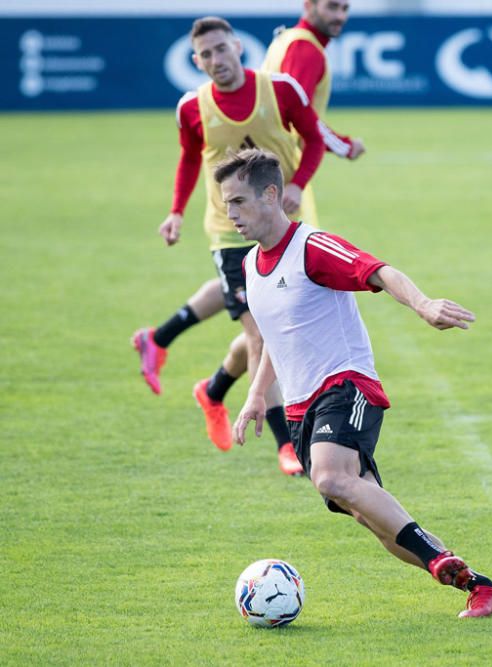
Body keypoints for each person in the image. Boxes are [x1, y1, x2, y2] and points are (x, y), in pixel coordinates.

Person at [224, 148, 492, 618]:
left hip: (345, 384)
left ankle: (441, 560)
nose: (229, 213)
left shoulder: (312, 247)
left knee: (331, 476)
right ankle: (481, 587)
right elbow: (277, 335)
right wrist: (257, 394)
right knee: (370, 516)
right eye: (226, 204)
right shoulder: (252, 266)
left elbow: (378, 270)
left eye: (238, 201)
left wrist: (422, 304)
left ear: (271, 194)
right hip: (299, 409)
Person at [133, 16, 328, 475]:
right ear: (196, 61)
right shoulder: (192, 108)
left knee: (271, 328)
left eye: (222, 49)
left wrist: (298, 183)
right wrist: (176, 212)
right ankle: (287, 444)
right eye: (206, 54)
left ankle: (213, 388)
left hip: (282, 225)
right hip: (229, 231)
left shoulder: (279, 91)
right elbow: (188, 158)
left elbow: (315, 139)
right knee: (263, 333)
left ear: (238, 47)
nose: (216, 60)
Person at [262, 0, 366, 160]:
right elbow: (300, 114)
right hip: (281, 159)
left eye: (345, 9)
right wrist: (346, 146)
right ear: (309, 5)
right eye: (332, 7)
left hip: (268, 153)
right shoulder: (306, 48)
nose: (340, 16)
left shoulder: (288, 37)